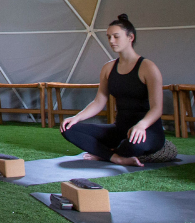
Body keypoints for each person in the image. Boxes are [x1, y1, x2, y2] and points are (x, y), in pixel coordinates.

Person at [58, 13, 166, 165]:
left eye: (116, 36)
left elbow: (157, 109)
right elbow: (98, 102)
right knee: (68, 128)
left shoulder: (148, 67)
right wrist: (76, 118)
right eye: (109, 37)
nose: (111, 41)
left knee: (132, 145)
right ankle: (114, 157)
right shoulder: (108, 68)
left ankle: (105, 152)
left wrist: (141, 125)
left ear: (131, 37)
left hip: (146, 130)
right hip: (120, 129)